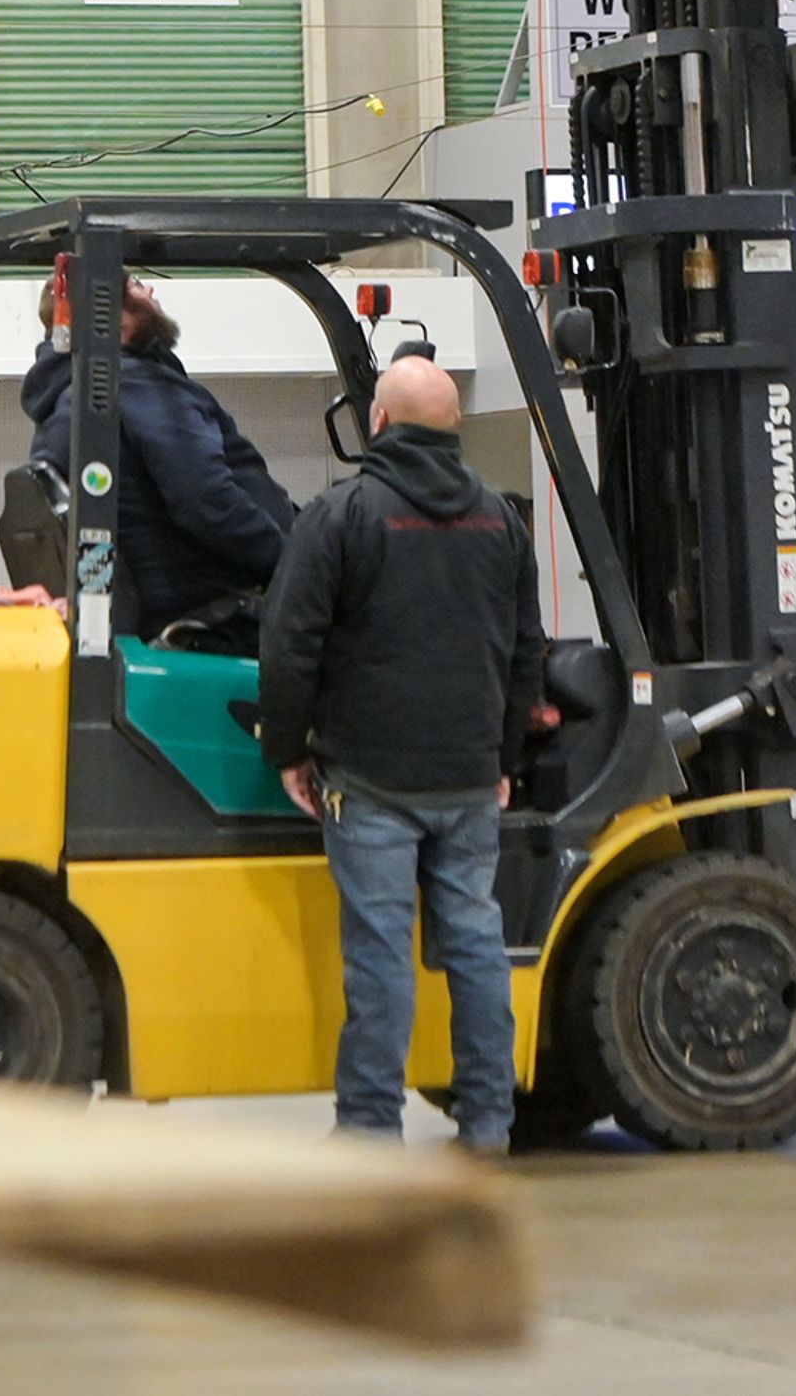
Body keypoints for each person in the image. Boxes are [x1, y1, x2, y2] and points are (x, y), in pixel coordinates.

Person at [253, 356, 546, 1156]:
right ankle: (489, 1124)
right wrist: (504, 758)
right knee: (477, 947)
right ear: (452, 429)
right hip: (467, 776)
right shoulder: (501, 520)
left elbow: (288, 647)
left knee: (379, 958)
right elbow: (527, 652)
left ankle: (370, 1129)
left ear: (377, 423)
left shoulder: (341, 514)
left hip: (370, 782)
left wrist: (286, 749)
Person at [18, 262, 292, 641]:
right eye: (136, 285)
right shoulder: (138, 387)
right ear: (115, 320)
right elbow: (207, 501)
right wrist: (295, 560)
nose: (150, 292)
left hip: (167, 600)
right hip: (212, 609)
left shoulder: (68, 397)